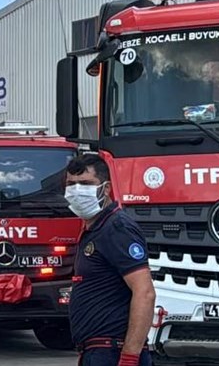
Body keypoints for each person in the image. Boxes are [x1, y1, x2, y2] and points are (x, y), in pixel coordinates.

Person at [64, 153, 157, 366]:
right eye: (71, 184)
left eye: (86, 184)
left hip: (113, 352)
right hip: (97, 351)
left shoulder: (116, 228)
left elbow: (145, 293)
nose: (77, 191)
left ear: (105, 189)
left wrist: (129, 357)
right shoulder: (95, 229)